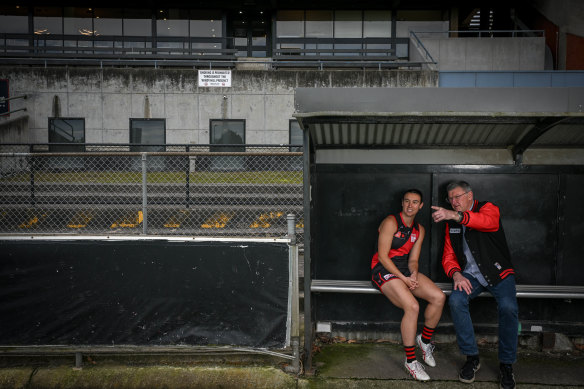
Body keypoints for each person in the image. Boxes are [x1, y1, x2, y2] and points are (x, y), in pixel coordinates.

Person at [431, 181, 518, 389]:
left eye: (457, 197)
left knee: (509, 308)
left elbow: (486, 222)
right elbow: (448, 255)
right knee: (456, 300)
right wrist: (456, 274)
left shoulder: (487, 208)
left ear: (470, 195)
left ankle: (506, 364)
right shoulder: (451, 223)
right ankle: (472, 357)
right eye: (450, 198)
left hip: (498, 272)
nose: (454, 202)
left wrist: (455, 215)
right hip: (471, 274)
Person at [371, 189, 446, 382]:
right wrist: (404, 280)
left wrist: (412, 273)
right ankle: (411, 361)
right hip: (383, 269)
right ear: (402, 203)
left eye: (415, 202)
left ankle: (425, 340)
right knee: (412, 307)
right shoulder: (391, 222)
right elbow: (383, 257)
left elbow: (413, 259)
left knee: (439, 297)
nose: (410, 205)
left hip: (404, 270)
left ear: (420, 206)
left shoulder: (419, 229)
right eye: (407, 202)